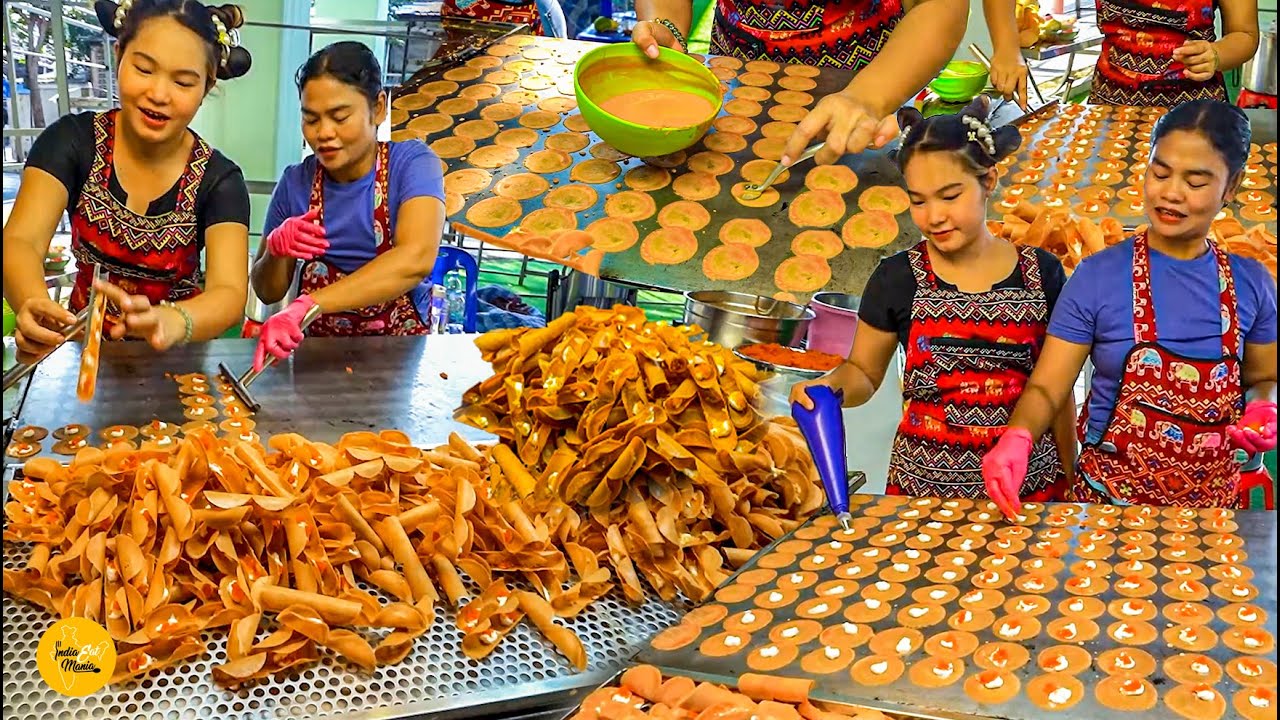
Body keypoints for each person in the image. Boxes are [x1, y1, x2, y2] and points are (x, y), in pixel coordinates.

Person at [984, 99, 1277, 514]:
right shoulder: (1097, 277)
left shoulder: (1252, 284)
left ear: (1231, 187)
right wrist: (1017, 438)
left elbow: (1264, 375)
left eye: (1195, 182)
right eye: (1160, 173)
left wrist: (1265, 405)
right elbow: (1048, 387)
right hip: (1107, 509)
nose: (1171, 193)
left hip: (1211, 515)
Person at [790, 97, 1075, 501]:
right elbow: (864, 373)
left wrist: (1071, 472)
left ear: (988, 182)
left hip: (1029, 494)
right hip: (920, 495)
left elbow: (1055, 390)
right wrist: (831, 387)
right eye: (918, 200)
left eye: (950, 195)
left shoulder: (1042, 273)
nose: (933, 216)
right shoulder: (898, 277)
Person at [2, 0, 252, 363]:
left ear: (207, 85)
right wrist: (34, 304)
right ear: (119, 54)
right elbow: (21, 240)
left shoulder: (220, 180)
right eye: (144, 69)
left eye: (183, 82)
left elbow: (228, 293)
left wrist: (176, 320)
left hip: (175, 366)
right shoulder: (71, 142)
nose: (159, 94)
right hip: (77, 351)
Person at [250, 42, 445, 372]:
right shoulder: (296, 184)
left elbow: (415, 259)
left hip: (397, 361)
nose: (324, 133)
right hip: (318, 363)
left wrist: (311, 304)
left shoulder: (411, 165)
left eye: (340, 117)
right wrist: (276, 250)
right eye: (311, 119)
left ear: (378, 108)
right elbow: (267, 291)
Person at [631, 0, 969, 167]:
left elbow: (939, 6)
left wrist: (868, 97)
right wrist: (666, 25)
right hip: (735, 87)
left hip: (870, 90)